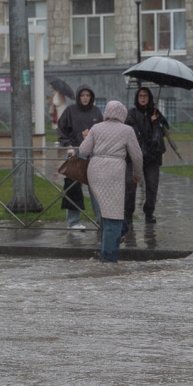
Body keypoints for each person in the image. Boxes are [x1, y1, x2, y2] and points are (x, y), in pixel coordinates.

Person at [72, 100, 143, 263]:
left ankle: (118, 236)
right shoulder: (127, 130)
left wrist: (87, 137)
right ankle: (108, 258)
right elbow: (137, 156)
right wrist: (137, 174)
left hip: (95, 170)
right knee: (113, 214)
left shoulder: (96, 128)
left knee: (108, 209)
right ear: (123, 114)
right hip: (114, 171)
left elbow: (83, 150)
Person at [57, 84, 103, 230]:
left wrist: (93, 139)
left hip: (93, 153)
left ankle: (101, 221)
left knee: (97, 188)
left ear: (91, 97)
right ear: (78, 97)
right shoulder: (70, 110)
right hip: (75, 152)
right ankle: (73, 222)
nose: (85, 98)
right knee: (73, 188)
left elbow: (102, 131)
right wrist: (68, 145)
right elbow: (61, 129)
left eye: (88, 95)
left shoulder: (96, 111)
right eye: (82, 95)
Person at [124, 87, 169, 227]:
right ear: (137, 98)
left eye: (145, 95)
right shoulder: (131, 113)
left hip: (152, 156)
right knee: (130, 185)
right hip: (134, 155)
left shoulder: (155, 113)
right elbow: (128, 130)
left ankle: (149, 213)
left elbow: (165, 129)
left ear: (149, 98)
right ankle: (128, 214)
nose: (143, 98)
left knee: (152, 185)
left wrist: (156, 121)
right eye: (140, 95)